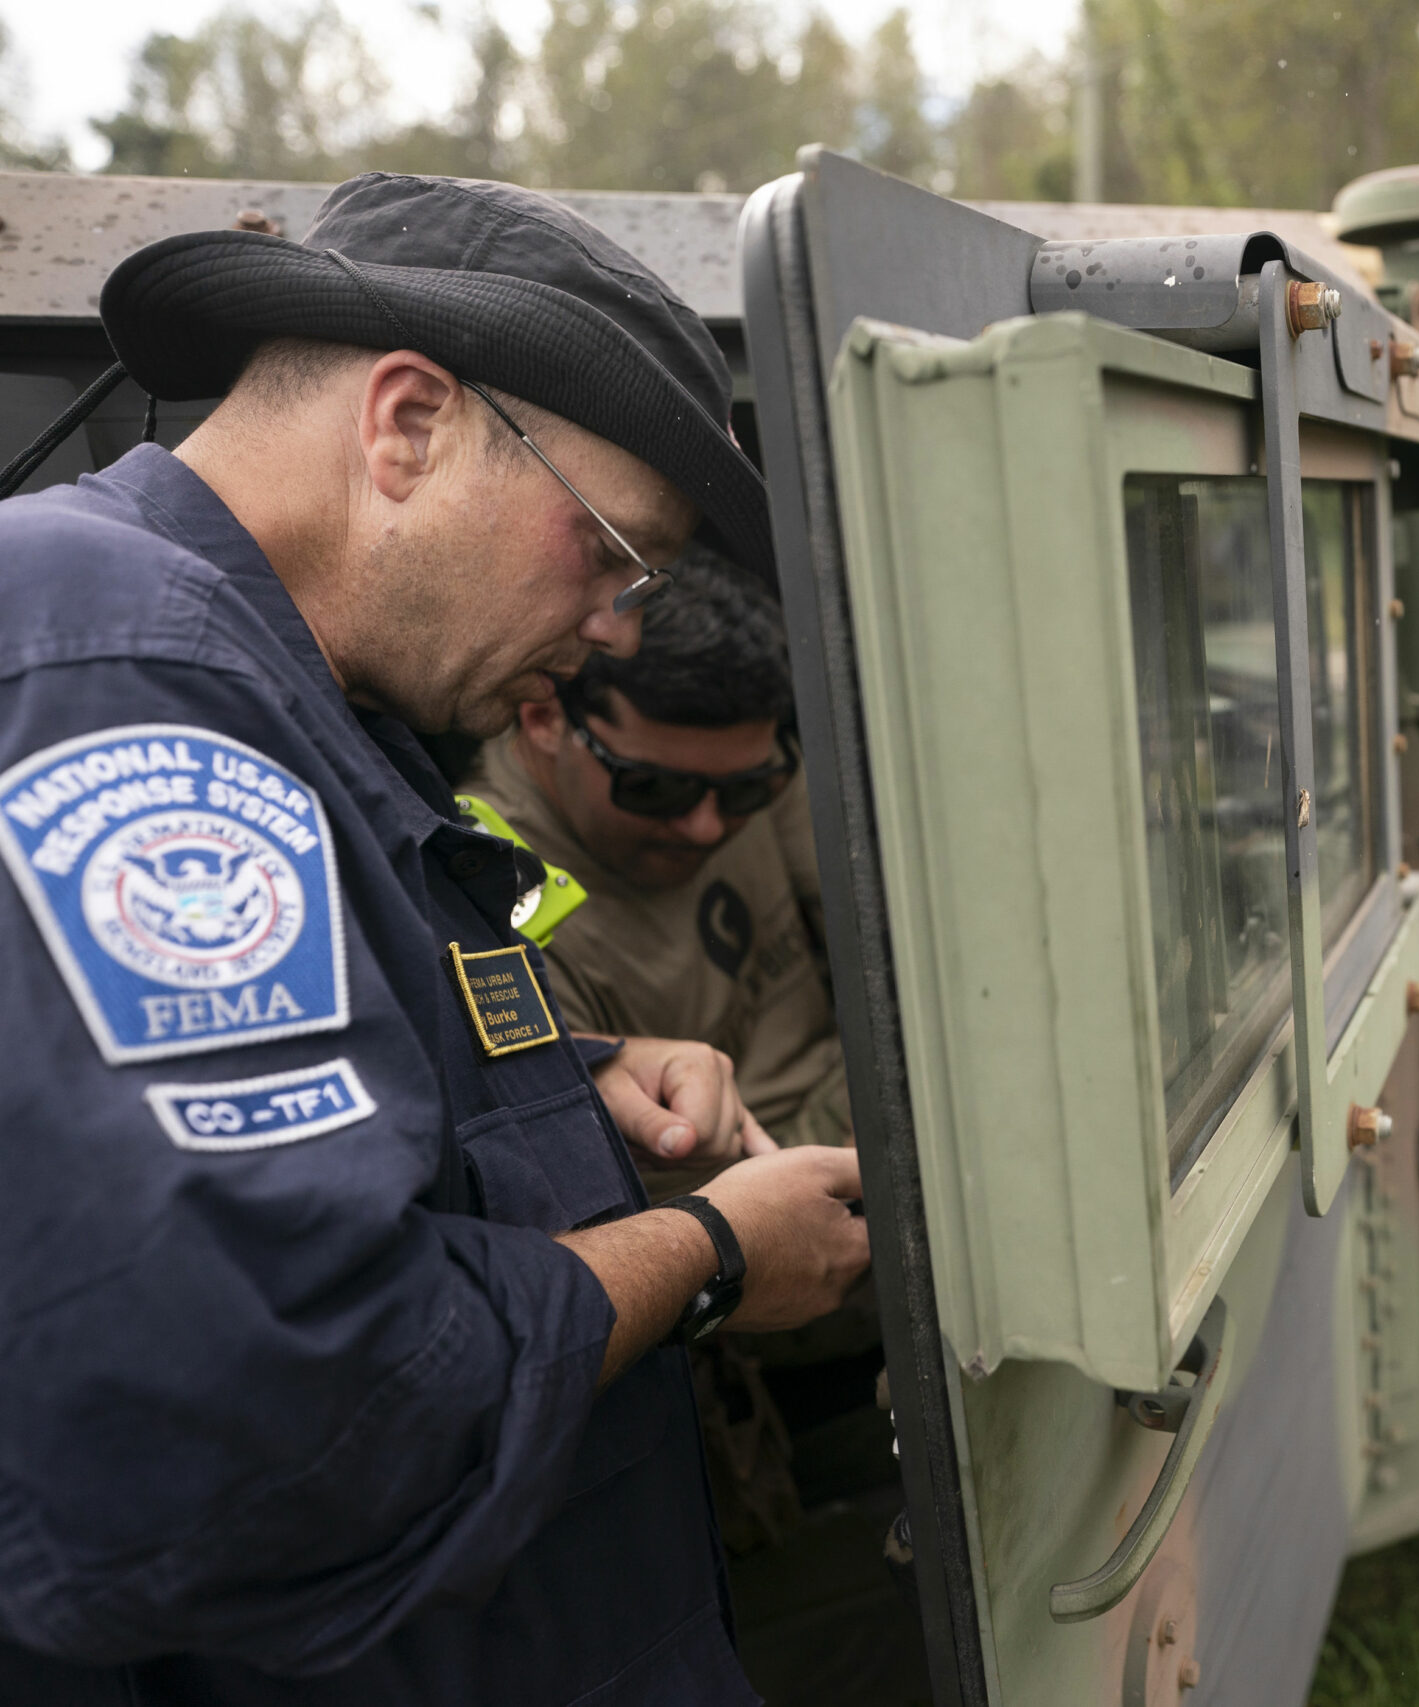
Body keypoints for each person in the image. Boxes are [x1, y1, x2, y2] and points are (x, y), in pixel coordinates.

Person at [0, 174, 870, 1704]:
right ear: (406, 427)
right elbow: (282, 1399)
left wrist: (565, 1079)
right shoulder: (125, 678)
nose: (615, 623)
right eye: (611, 548)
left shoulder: (292, 684)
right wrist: (716, 1251)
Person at [460, 559, 870, 1554]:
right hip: (749, 1252)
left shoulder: (733, 763)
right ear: (542, 718)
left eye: (747, 789)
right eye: (655, 787)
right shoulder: (485, 903)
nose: (706, 825)